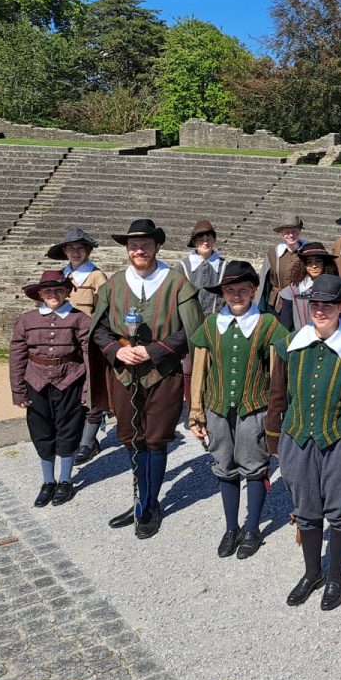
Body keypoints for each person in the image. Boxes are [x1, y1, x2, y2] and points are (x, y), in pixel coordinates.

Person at [267, 274, 341, 611]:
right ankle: (311, 572)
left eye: (328, 305)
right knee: (306, 508)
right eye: (315, 304)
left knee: (340, 511)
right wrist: (274, 438)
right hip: (298, 437)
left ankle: (335, 576)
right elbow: (277, 395)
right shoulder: (291, 344)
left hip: (340, 438)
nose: (320, 310)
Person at [92, 219, 204, 539]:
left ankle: (150, 505)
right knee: (130, 437)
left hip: (162, 375)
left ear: (157, 247)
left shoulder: (177, 284)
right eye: (133, 246)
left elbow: (192, 331)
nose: (139, 250)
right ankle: (140, 498)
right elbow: (98, 331)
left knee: (154, 439)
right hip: (124, 376)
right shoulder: (113, 285)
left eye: (145, 245)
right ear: (127, 250)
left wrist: (155, 350)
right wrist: (117, 350)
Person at [187, 262, 288, 560]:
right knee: (224, 466)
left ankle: (253, 529)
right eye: (230, 290)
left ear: (254, 291)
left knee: (254, 466)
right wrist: (196, 412)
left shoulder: (268, 324)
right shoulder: (210, 325)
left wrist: (275, 413)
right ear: (222, 294)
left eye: (243, 289)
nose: (236, 295)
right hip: (217, 408)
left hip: (254, 408)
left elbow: (277, 371)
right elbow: (199, 372)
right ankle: (232, 528)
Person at [10, 270, 92, 508]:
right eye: (48, 291)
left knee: (68, 431)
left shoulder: (80, 320)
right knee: (41, 431)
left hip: (70, 381)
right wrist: (18, 390)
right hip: (36, 382)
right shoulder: (25, 321)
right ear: (40, 294)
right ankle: (48, 482)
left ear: (67, 292)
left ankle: (65, 481)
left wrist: (87, 390)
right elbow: (17, 357)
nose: (53, 295)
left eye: (58, 290)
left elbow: (89, 356)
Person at [46, 227, 110, 465]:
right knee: (70, 392)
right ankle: (78, 436)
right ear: (64, 251)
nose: (75, 252)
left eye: (80, 248)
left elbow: (105, 312)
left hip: (89, 342)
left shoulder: (97, 277)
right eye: (71, 248)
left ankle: (88, 442)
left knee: (91, 391)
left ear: (88, 250)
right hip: (63, 345)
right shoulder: (59, 276)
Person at [177, 219, 231, 408]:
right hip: (189, 325)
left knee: (216, 365)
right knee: (190, 366)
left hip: (218, 323)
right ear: (194, 241)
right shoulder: (183, 267)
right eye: (200, 237)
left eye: (209, 236)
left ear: (214, 240)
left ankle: (213, 406)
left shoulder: (225, 267)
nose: (205, 240)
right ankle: (194, 407)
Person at [277, 242, 340, 332]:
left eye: (318, 261)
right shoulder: (292, 291)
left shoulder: (336, 288)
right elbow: (285, 325)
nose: (314, 266)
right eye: (309, 262)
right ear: (304, 265)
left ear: (325, 263)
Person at [260, 214, 307, 313]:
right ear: (281, 233)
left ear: (300, 232)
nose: (291, 235)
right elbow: (263, 279)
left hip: (298, 303)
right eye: (287, 232)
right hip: (274, 302)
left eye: (294, 232)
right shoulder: (273, 253)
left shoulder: (307, 253)